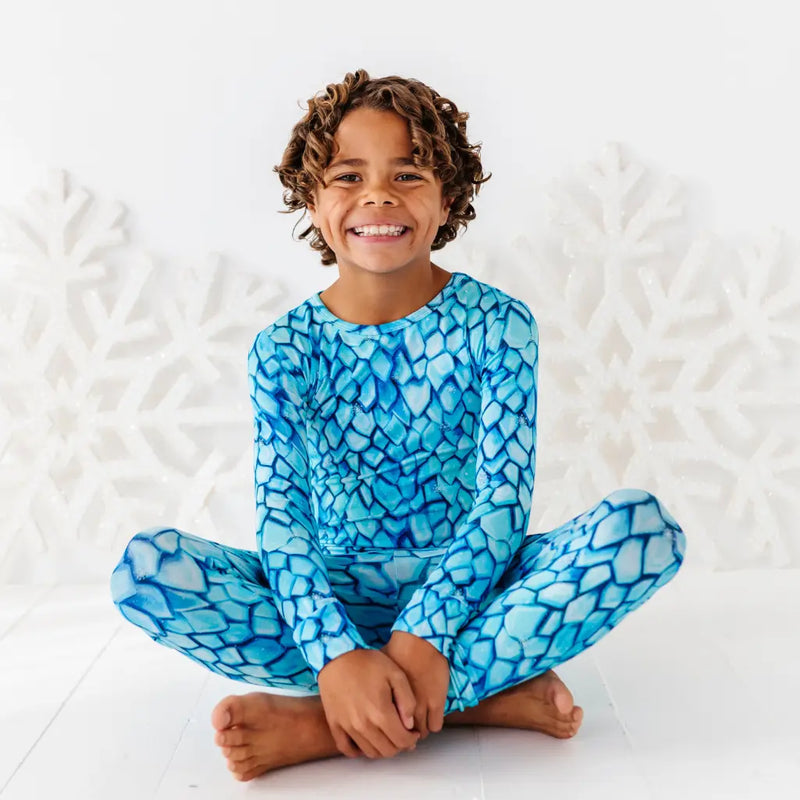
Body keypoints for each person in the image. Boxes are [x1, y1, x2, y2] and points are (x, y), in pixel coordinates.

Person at [109, 68, 686, 783]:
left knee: (644, 531)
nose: (378, 194)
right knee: (144, 571)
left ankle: (327, 724)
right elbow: (282, 524)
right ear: (313, 203)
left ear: (448, 199)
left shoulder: (498, 325)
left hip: (474, 591)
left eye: (407, 173)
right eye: (348, 175)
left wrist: (426, 630)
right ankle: (467, 700)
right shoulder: (284, 350)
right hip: (332, 597)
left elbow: (501, 506)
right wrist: (335, 652)